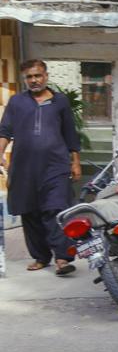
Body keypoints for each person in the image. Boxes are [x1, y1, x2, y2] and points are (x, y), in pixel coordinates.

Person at [0, 59, 81, 275]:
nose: (34, 80)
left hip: (55, 167)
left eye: (38, 75)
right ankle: (41, 257)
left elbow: (70, 134)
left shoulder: (60, 102)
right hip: (24, 169)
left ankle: (63, 258)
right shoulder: (17, 102)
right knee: (30, 212)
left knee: (56, 210)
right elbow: (5, 131)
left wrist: (75, 161)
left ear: (46, 76)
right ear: (24, 79)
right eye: (29, 77)